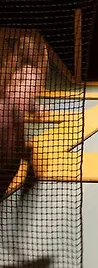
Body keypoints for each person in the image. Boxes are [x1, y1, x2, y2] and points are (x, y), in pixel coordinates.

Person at [0, 35, 44, 198]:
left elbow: (21, 97)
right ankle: (27, 155)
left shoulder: (16, 69)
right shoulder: (25, 71)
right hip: (9, 117)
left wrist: (34, 109)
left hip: (9, 117)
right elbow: (22, 98)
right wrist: (35, 109)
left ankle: (26, 155)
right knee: (10, 157)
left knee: (10, 157)